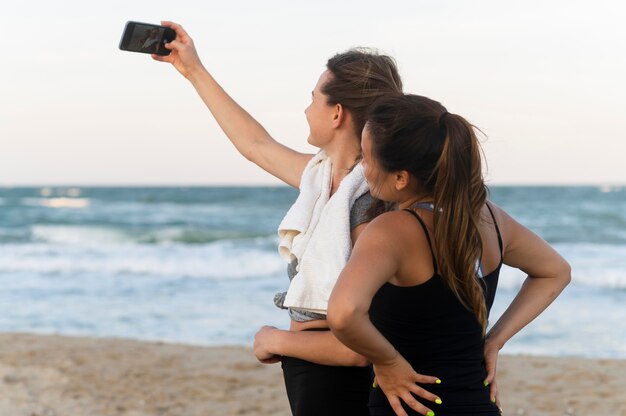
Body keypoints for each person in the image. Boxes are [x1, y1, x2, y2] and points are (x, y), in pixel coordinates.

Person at [151, 21, 407, 416]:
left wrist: (275, 339)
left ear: (337, 113)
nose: (306, 109)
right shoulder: (322, 179)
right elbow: (254, 144)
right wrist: (192, 69)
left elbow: (362, 342)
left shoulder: (370, 204)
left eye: (312, 99)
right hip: (314, 369)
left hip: (340, 378)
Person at [327, 94, 571, 416]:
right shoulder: (490, 218)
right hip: (478, 404)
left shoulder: (391, 230)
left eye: (368, 158)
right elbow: (556, 271)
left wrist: (389, 362)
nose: (363, 168)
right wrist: (495, 340)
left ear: (401, 178)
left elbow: (343, 314)